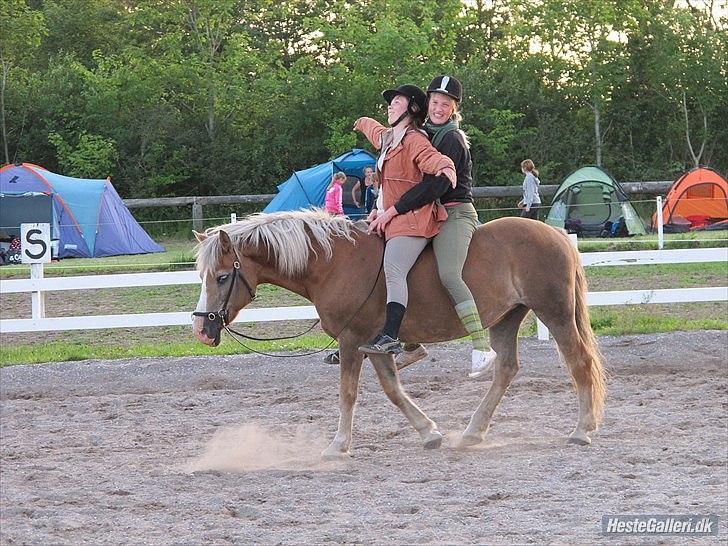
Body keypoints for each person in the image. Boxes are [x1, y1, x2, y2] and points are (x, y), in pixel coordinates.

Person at [368, 75, 497, 378]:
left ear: (454, 109)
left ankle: (481, 345)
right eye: (435, 102)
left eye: (445, 104)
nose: (439, 108)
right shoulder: (421, 133)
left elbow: (434, 187)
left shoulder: (451, 138)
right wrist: (381, 209)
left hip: (453, 211)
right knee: (402, 267)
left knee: (449, 273)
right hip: (427, 211)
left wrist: (392, 211)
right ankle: (410, 342)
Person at [354, 83, 457, 357]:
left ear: (411, 108)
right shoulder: (390, 139)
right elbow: (376, 134)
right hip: (392, 217)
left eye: (397, 102)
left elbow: (435, 162)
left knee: (394, 269)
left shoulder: (414, 140)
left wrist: (446, 168)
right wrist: (361, 122)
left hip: (413, 219)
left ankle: (390, 336)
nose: (390, 106)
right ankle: (362, 332)